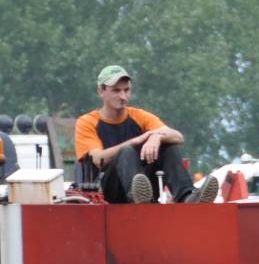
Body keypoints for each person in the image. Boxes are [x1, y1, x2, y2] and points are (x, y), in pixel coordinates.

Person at [72, 65, 216, 204]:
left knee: (168, 146)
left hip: (145, 187)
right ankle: (138, 197)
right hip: (107, 191)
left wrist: (157, 136)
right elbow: (98, 158)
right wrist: (136, 141)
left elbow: (178, 137)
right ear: (101, 91)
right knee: (126, 151)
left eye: (126, 90)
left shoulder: (139, 116)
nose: (123, 96)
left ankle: (187, 196)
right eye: (116, 91)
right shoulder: (87, 122)